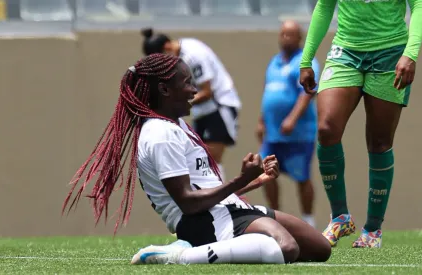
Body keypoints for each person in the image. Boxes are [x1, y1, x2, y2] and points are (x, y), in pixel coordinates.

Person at [62, 53, 331, 265]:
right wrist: (240, 179)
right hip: (204, 221)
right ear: (165, 91)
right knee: (285, 248)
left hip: (226, 208)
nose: (194, 90)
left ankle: (209, 248)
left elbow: (203, 187)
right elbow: (188, 203)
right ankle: (180, 255)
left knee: (320, 248)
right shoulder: (160, 134)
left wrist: (253, 180)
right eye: (187, 83)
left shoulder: (175, 124)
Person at [299, 0, 422, 248]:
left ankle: (372, 230)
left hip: (390, 53)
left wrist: (410, 54)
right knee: (326, 129)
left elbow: (419, 6)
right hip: (345, 51)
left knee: (379, 142)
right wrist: (307, 59)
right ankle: (340, 217)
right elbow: (325, 6)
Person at [140, 28, 241, 183]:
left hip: (218, 107)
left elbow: (207, 92)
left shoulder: (192, 54)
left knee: (211, 160)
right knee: (198, 160)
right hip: (202, 112)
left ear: (167, 48)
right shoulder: (180, 55)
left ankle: (220, 198)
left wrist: (174, 104)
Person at [257, 20, 320, 228]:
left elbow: (307, 93)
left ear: (300, 38)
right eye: (283, 34)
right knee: (266, 174)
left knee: (302, 176)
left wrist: (292, 118)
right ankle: (276, 216)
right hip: (273, 135)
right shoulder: (273, 62)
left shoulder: (304, 62)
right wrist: (261, 121)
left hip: (298, 134)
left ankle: (308, 220)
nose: (286, 38)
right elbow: (268, 93)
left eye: (291, 34)